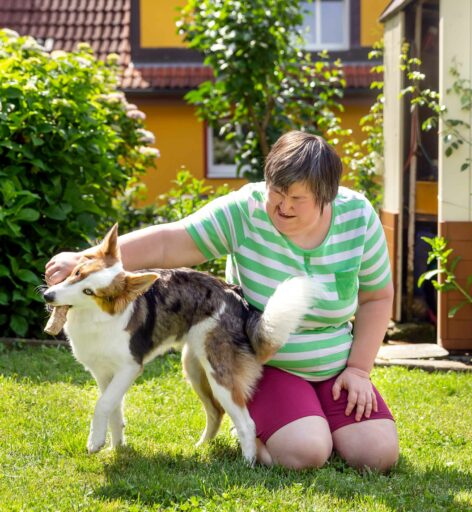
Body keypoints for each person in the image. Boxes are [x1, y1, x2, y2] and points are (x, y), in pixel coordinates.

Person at [45, 131, 399, 472]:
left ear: (327, 195)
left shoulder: (357, 216)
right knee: (304, 454)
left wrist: (358, 370)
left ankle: (314, 418)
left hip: (335, 366)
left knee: (378, 455)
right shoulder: (244, 211)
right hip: (265, 362)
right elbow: (170, 241)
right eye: (276, 192)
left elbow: (377, 297)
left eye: (297, 198)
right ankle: (269, 423)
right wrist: (84, 259)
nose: (283, 206)